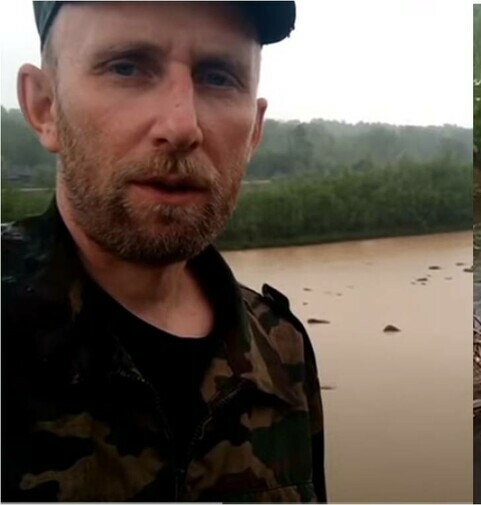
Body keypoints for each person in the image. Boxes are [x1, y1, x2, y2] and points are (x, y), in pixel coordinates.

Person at [2, 1, 326, 501]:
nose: (182, 127)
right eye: (127, 67)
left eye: (218, 77)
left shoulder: (282, 351)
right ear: (44, 107)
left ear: (255, 130)